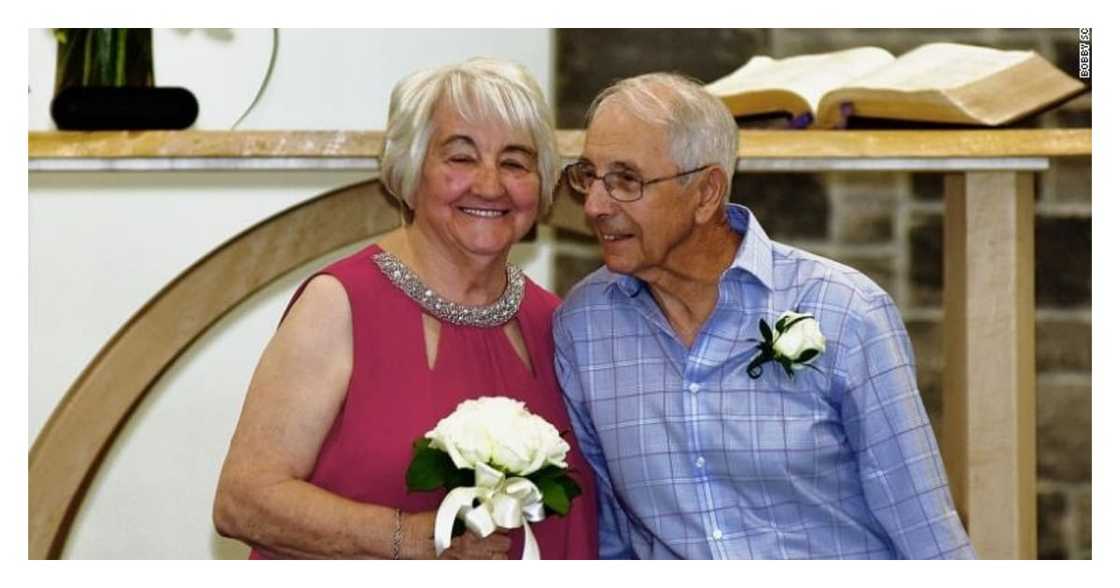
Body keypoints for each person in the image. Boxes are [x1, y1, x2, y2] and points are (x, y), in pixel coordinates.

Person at [552, 72, 974, 559]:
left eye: (625, 180)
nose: (596, 206)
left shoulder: (846, 312)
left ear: (707, 193)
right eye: (589, 176)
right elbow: (608, 540)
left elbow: (926, 533)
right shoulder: (584, 327)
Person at [213, 57, 598, 560]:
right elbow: (244, 501)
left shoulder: (554, 323)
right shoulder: (340, 304)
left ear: (542, 184)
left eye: (515, 162)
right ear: (411, 168)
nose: (489, 183)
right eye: (460, 158)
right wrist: (417, 538)